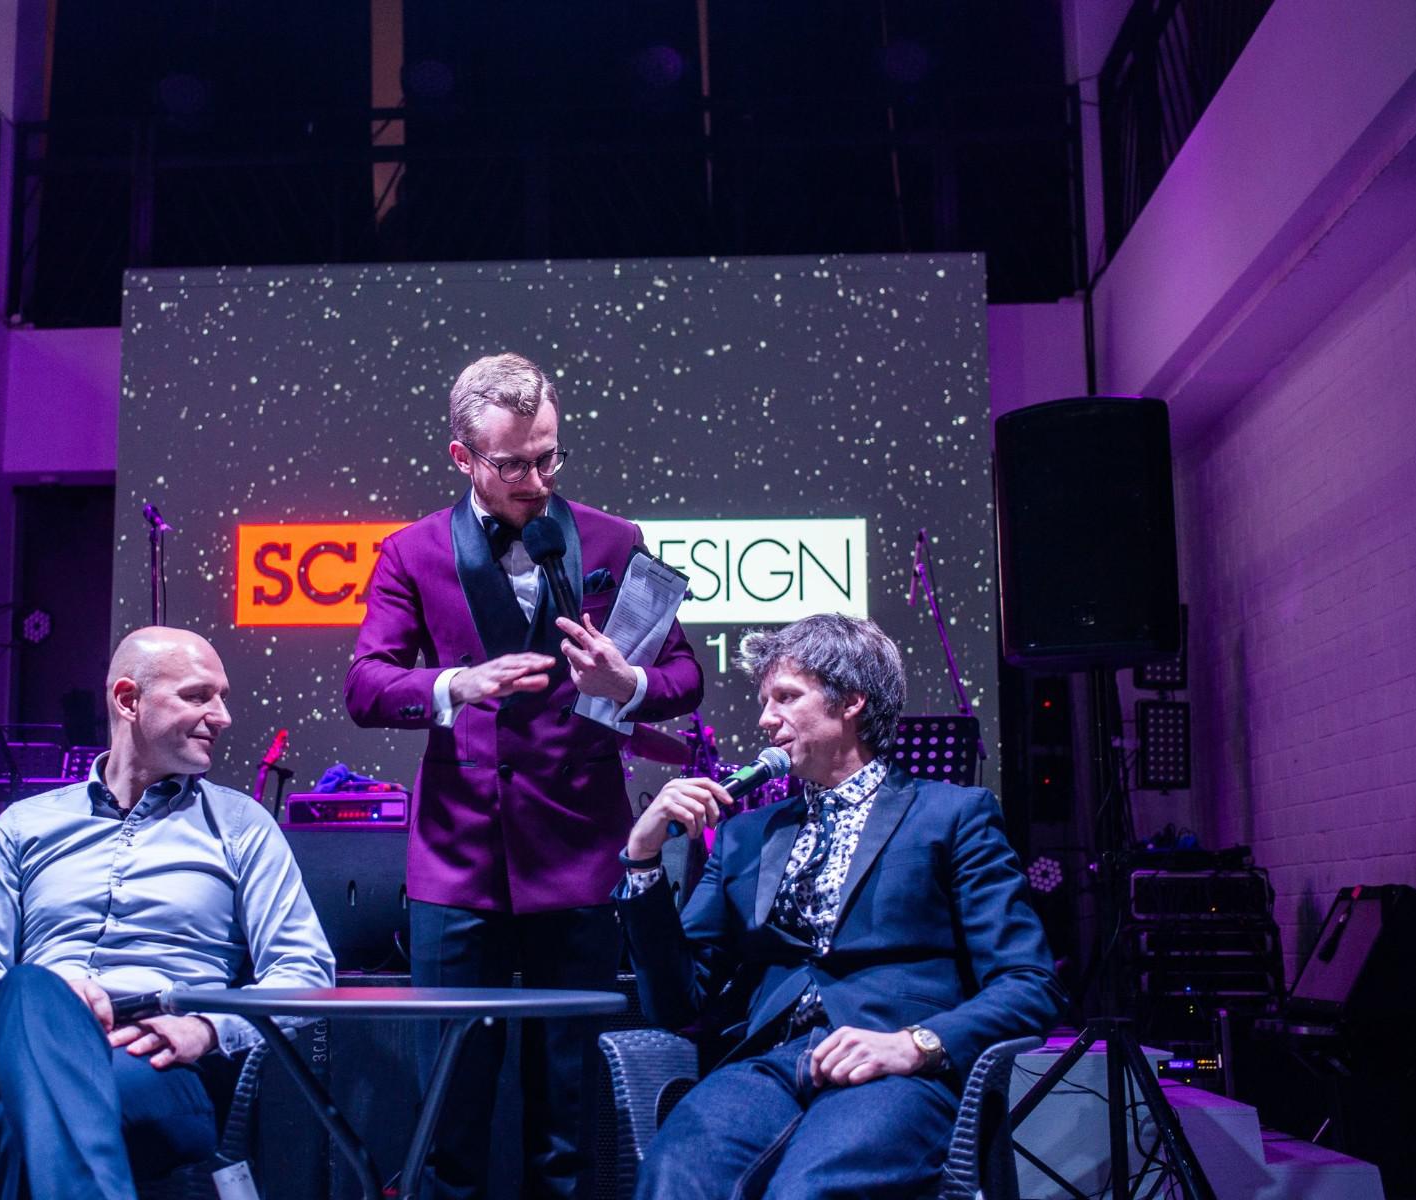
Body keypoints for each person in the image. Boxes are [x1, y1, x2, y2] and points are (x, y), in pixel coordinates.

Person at [345, 352, 704, 1199]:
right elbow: (365, 686)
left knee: (568, 1114)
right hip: (459, 860)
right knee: (451, 1111)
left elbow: (685, 678)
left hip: (580, 851)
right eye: (514, 465)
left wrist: (627, 682)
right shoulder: (411, 551)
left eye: (549, 457)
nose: (538, 481)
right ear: (462, 457)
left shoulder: (615, 540)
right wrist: (454, 685)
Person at [615, 614, 1064, 1199]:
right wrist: (643, 859)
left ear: (851, 701)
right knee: (674, 1176)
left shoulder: (953, 815)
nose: (765, 719)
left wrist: (917, 1044)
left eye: (785, 697)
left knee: (808, 1191)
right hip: (768, 1066)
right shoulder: (745, 835)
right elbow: (675, 1002)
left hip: (891, 1068)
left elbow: (1030, 985)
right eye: (764, 701)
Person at [0, 626, 336, 1200]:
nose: (222, 717)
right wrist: (51, 1012)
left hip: (151, 1062)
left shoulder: (243, 828)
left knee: (26, 1124)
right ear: (129, 700)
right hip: (11, 1052)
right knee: (29, 987)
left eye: (223, 698)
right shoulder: (24, 825)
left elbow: (305, 972)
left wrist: (208, 1028)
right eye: (198, 696)